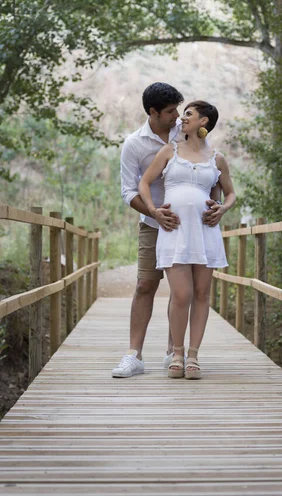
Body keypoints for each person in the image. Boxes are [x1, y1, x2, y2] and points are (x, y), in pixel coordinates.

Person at [112, 84, 224, 378]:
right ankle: (134, 355)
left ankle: (174, 352)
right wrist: (155, 213)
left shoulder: (186, 131)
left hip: (195, 228)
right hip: (154, 224)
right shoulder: (134, 144)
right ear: (153, 112)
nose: (177, 116)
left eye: (180, 110)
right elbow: (128, 190)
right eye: (171, 111)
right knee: (145, 285)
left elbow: (211, 172)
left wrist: (217, 205)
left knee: (185, 292)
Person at [139, 100, 236, 379]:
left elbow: (230, 193)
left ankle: (194, 355)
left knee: (202, 295)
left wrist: (224, 208)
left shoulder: (217, 158)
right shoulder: (170, 151)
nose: (182, 118)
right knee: (182, 294)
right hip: (175, 231)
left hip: (205, 232)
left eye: (189, 114)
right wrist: (155, 212)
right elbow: (144, 183)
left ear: (203, 122)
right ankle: (177, 353)